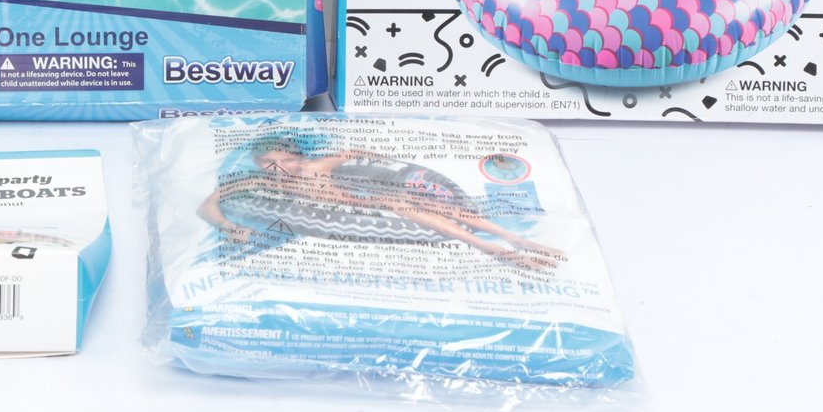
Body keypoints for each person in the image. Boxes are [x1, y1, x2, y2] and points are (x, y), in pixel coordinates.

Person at [198, 135, 565, 270]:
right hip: (355, 209)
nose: (281, 169)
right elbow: (207, 206)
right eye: (270, 163)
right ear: (259, 163)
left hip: (370, 197)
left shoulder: (316, 166)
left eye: (287, 160)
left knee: (441, 208)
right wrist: (230, 227)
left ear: (298, 157)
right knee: (411, 208)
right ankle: (495, 249)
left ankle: (516, 241)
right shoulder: (258, 180)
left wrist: (382, 159)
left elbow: (353, 153)